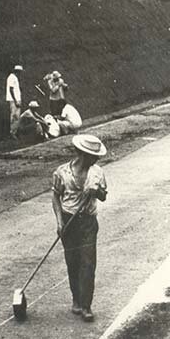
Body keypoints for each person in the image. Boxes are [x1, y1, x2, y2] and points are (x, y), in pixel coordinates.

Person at [51, 134, 108, 322]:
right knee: (72, 262)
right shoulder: (62, 173)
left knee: (88, 263)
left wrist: (96, 191)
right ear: (82, 154)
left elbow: (103, 196)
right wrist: (59, 222)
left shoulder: (97, 172)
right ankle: (76, 299)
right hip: (69, 221)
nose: (97, 159)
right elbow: (56, 197)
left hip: (88, 223)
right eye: (93, 155)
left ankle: (86, 306)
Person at [6, 65, 23, 139]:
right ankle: (12, 132)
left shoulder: (15, 77)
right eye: (20, 72)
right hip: (14, 100)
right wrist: (16, 100)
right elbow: (11, 89)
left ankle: (15, 131)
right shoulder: (11, 77)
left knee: (17, 116)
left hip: (17, 99)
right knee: (14, 116)